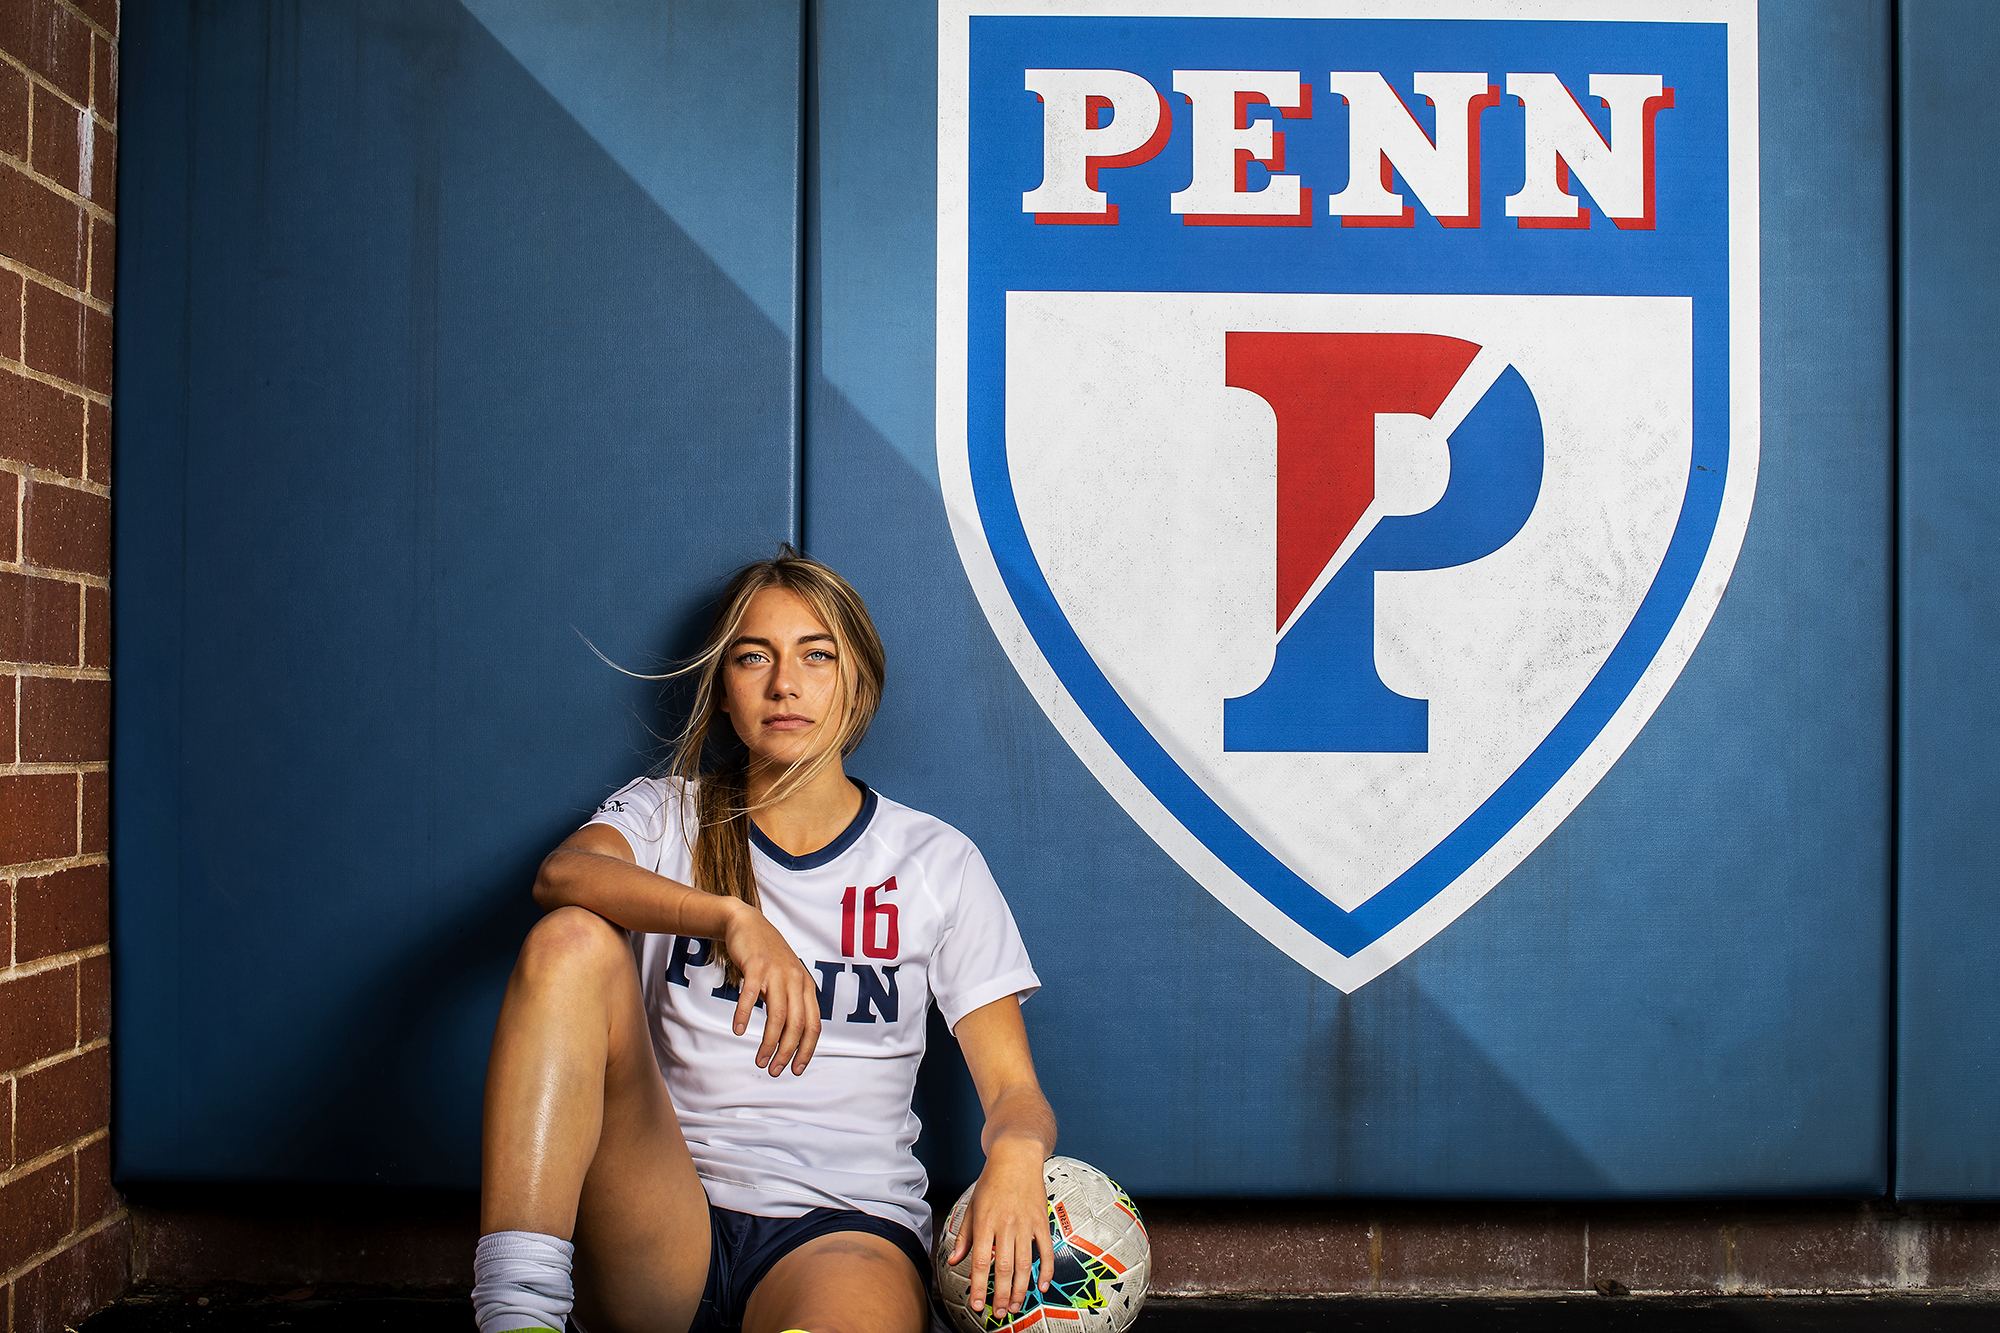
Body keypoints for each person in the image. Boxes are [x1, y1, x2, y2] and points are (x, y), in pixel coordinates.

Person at [473, 549, 1058, 1333]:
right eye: (755, 657)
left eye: (817, 655)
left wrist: (1018, 1152)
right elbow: (563, 874)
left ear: (859, 683)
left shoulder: (935, 861)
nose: (785, 683)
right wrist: (729, 918)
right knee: (570, 939)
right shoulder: (667, 815)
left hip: (842, 1228)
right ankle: (517, 1313)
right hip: (662, 1217)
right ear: (722, 691)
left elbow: (1014, 1089)